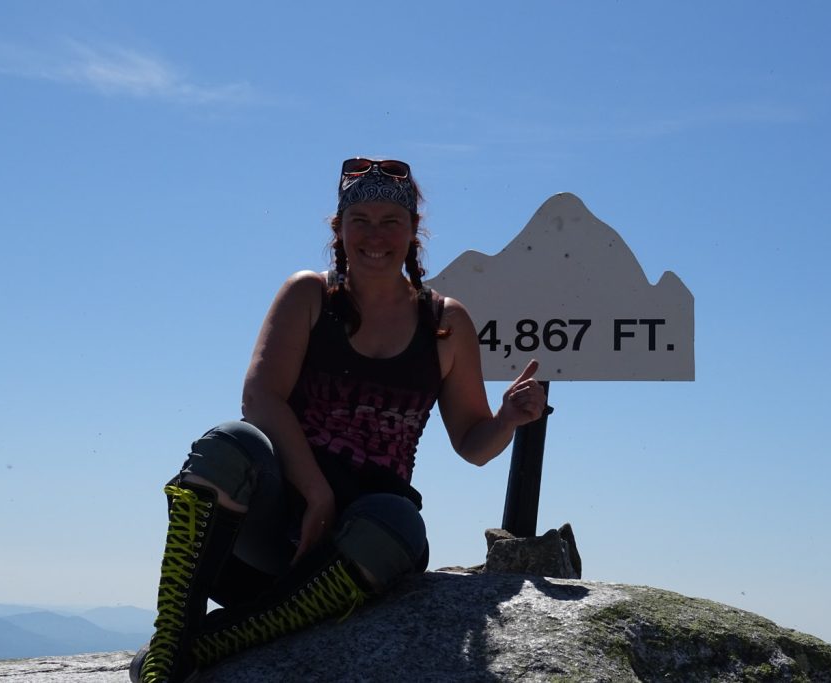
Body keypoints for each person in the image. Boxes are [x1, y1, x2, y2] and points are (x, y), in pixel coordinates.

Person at [132, 158, 547, 683]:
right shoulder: (308, 295)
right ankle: (172, 641)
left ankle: (213, 642)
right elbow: (259, 398)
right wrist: (317, 495)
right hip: (275, 525)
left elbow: (472, 442)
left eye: (391, 221)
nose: (376, 235)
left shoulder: (446, 323)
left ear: (414, 231)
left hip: (355, 553)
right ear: (340, 229)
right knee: (227, 445)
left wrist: (509, 418)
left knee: (400, 523)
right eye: (361, 221)